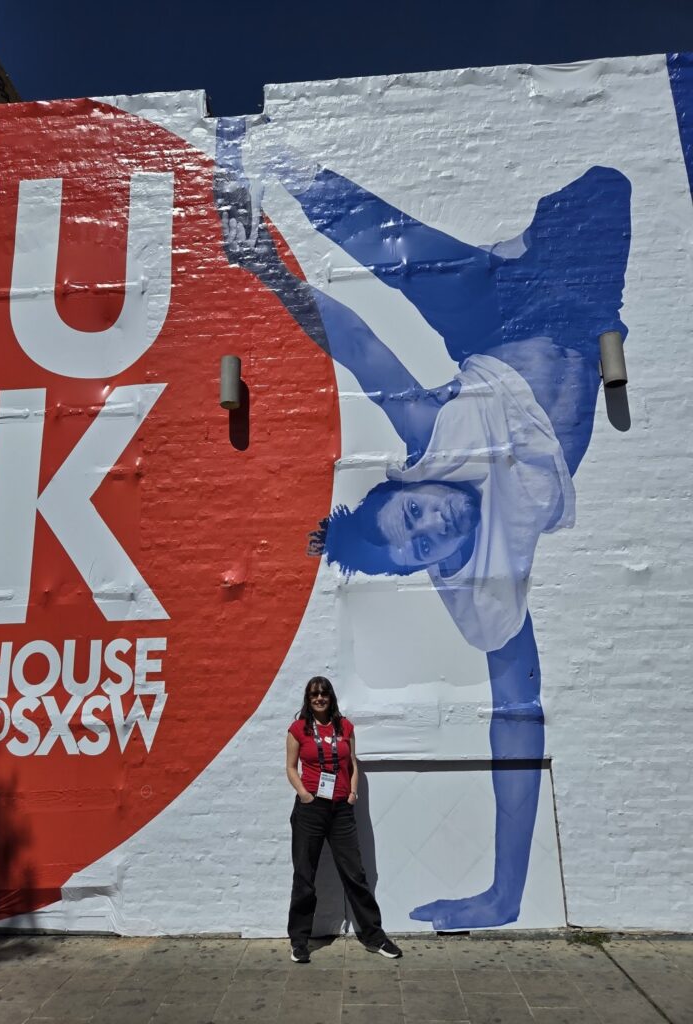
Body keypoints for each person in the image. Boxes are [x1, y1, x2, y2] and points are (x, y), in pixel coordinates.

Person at [215, 118, 632, 929]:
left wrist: (266, 264)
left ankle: (263, 158)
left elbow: (358, 342)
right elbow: (518, 710)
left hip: (492, 319)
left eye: (413, 514)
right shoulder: (487, 584)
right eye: (429, 544)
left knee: (393, 248)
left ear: (405, 484)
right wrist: (506, 893)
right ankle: (518, 245)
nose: (436, 524)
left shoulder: (428, 439)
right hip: (570, 308)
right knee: (601, 191)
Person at [285, 675, 402, 962]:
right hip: (311, 810)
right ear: (308, 698)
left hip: (340, 810)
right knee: (304, 876)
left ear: (331, 696)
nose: (319, 698)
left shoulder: (345, 726)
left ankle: (374, 936)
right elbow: (290, 767)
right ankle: (299, 941)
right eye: (313, 694)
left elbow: (352, 764)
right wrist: (304, 794)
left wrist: (352, 793)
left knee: (355, 874)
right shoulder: (298, 728)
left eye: (324, 693)